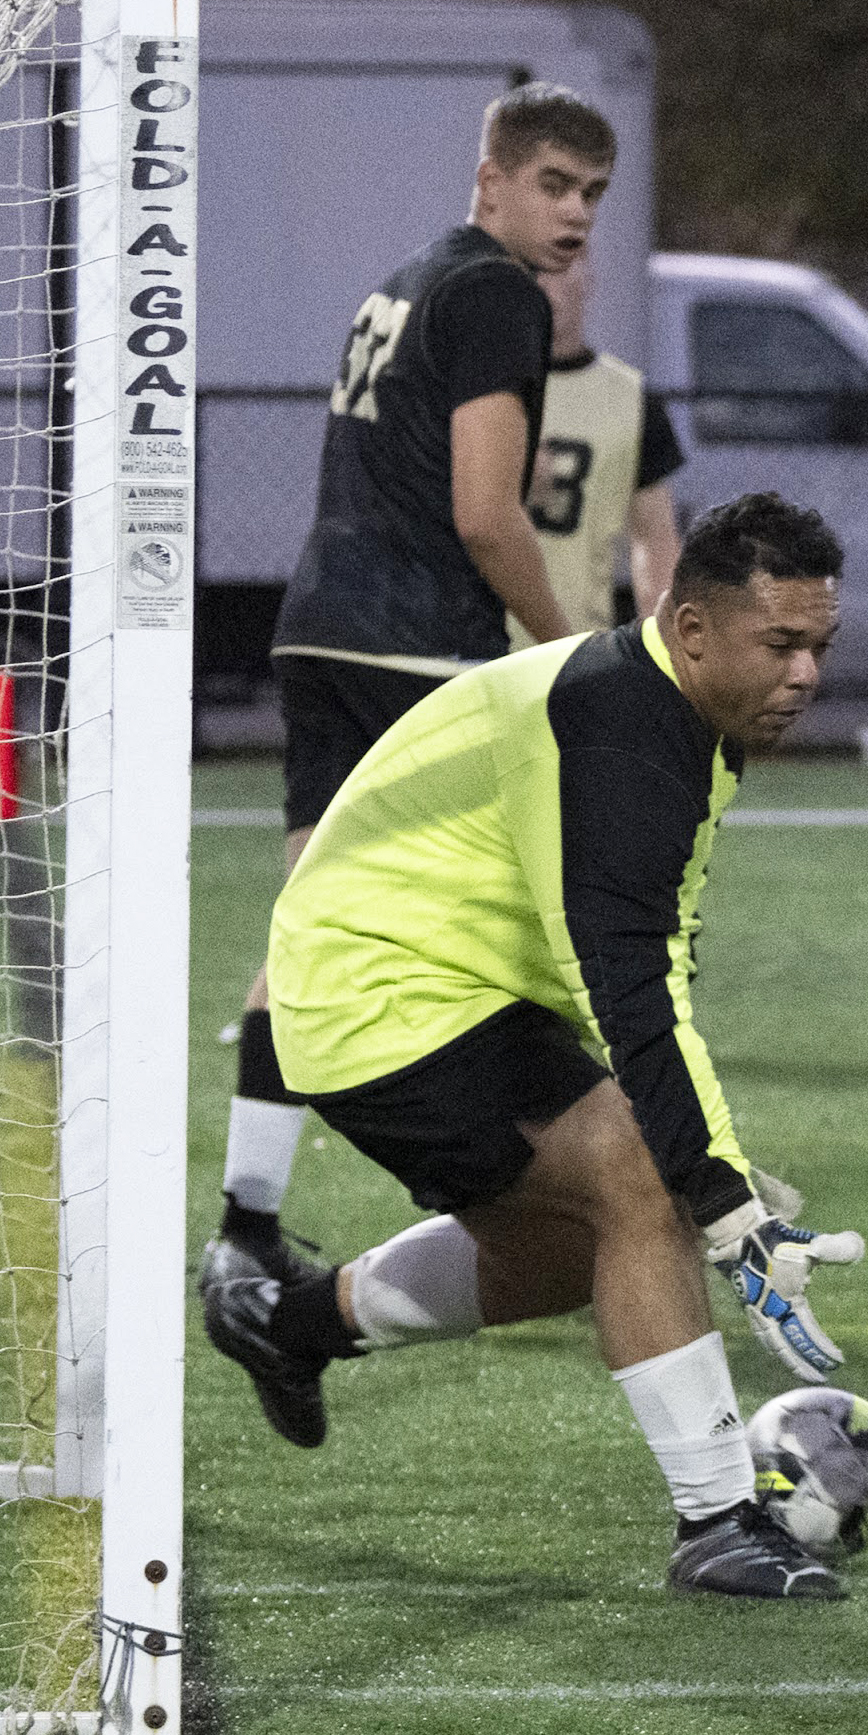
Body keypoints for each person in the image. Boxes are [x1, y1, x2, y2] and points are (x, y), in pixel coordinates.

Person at [199, 494, 868, 1601]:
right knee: (644, 1183)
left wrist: (711, 1165)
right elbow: (631, 986)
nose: (806, 675)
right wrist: (725, 1202)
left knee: (581, 1250)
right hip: (379, 991)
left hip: (451, 984)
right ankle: (716, 1520)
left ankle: (291, 1324)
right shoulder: (623, 728)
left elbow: (657, 955)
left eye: (819, 648)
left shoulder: (677, 715)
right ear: (693, 629)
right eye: (783, 645)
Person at [216, 86, 605, 1295]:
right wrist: (571, 650)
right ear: (488, 179)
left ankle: (245, 1225)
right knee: (515, 914)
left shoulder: (406, 279)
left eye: (593, 194)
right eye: (552, 184)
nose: (576, 215)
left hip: (321, 635)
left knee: (310, 929)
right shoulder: (496, 294)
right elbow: (486, 516)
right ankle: (565, 1181)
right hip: (416, 654)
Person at [525, 251, 686, 639]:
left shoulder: (631, 398)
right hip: (475, 653)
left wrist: (664, 656)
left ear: (588, 273)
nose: (548, 286)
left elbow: (654, 541)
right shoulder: (476, 388)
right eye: (535, 272)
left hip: (576, 647)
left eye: (561, 267)